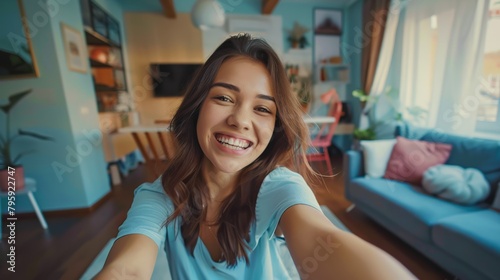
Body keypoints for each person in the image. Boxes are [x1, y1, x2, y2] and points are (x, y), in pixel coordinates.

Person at [96, 34, 415, 280]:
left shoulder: (280, 187)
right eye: (223, 97)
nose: (240, 120)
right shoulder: (159, 197)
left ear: (275, 126)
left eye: (262, 108)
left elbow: (324, 240)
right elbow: (127, 270)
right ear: (197, 108)